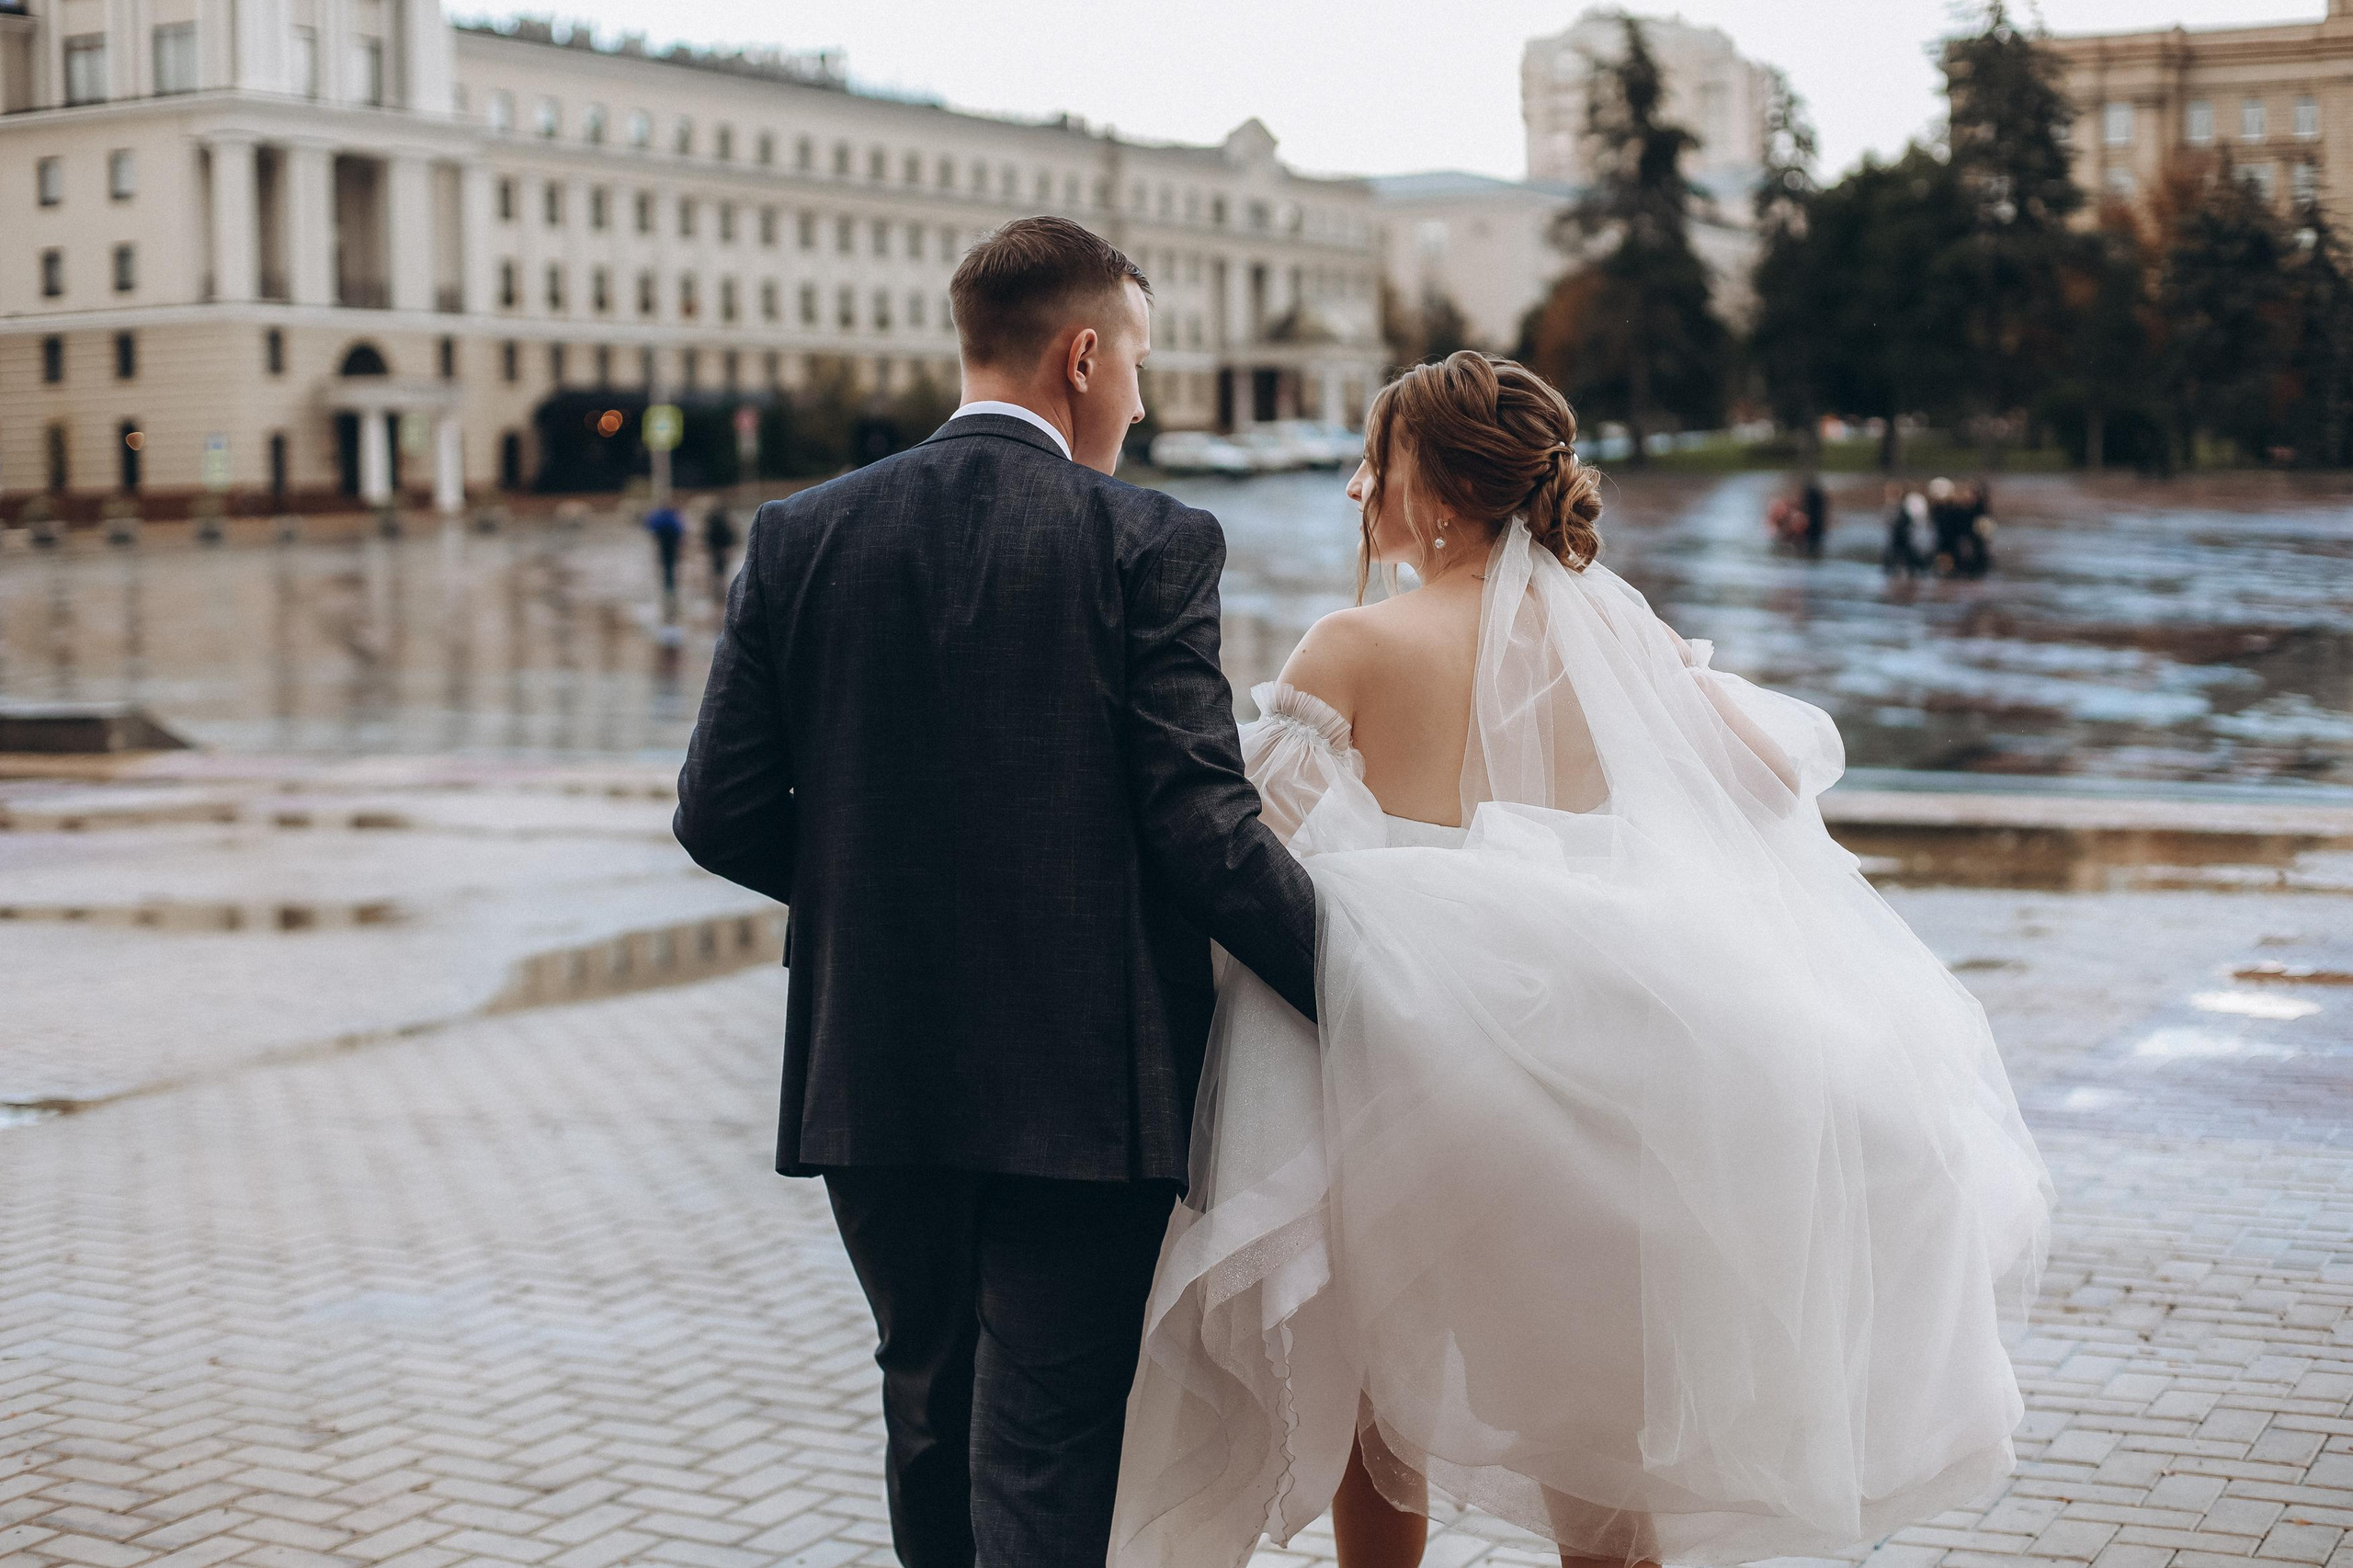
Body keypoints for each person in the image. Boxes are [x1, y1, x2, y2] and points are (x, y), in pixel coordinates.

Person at [1111, 353, 2051, 1568]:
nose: (1355, 488)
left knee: (1369, 1397)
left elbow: (1244, 855)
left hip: (1399, 1068)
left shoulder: (1352, 643)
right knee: (1586, 1406)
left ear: (1440, 489)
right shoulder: (1620, 635)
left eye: (1376, 461)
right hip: (1584, 1063)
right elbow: (1764, 776)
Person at [672, 216, 1317, 1568]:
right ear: (1082, 357)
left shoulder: (799, 534)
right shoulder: (1148, 540)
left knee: (926, 1409)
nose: (1140, 395)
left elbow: (718, 811)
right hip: (1084, 1078)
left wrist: (879, 891)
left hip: (873, 1063)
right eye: (1138, 361)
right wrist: (1355, 983)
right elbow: (1201, 825)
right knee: (1047, 1441)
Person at [644, 499, 685, 597]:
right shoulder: (671, 516)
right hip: (670, 544)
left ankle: (668, 584)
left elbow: (650, 524)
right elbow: (679, 529)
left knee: (667, 565)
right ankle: (669, 584)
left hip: (665, 543)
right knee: (669, 565)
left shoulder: (661, 516)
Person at [1881, 481, 1922, 575]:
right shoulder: (1891, 504)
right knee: (1894, 553)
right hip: (1896, 534)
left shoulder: (1904, 504)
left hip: (1903, 534)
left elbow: (1911, 520)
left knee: (1906, 552)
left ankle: (1912, 569)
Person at [702, 499, 738, 598]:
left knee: (717, 569)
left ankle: (718, 588)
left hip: (716, 549)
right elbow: (730, 535)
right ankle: (720, 589)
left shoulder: (713, 522)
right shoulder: (725, 522)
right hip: (722, 549)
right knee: (722, 570)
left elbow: (709, 536)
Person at [1798, 472, 1828, 557]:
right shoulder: (1818, 493)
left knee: (1812, 542)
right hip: (1817, 523)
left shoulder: (1810, 492)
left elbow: (1804, 507)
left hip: (1813, 523)